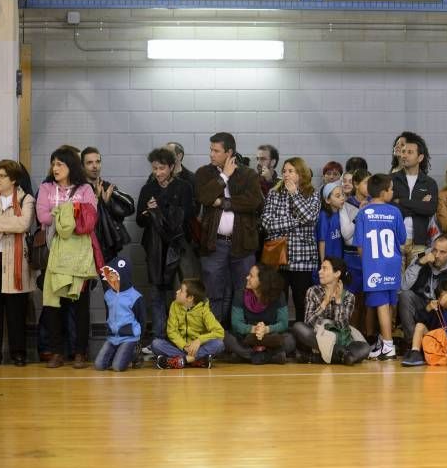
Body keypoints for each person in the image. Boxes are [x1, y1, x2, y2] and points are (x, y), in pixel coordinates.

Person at [37, 147, 101, 369]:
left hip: (80, 256)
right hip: (55, 253)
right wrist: (71, 211)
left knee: (80, 305)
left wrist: (61, 212)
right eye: (53, 164)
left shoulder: (85, 188)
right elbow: (42, 216)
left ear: (70, 166)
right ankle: (56, 352)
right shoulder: (45, 187)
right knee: (53, 304)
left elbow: (90, 218)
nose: (55, 168)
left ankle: (80, 352)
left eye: (59, 164)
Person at [196, 132, 263, 327]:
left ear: (229, 152)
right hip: (214, 243)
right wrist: (224, 176)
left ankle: (240, 334)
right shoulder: (204, 173)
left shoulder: (248, 174)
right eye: (211, 150)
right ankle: (214, 334)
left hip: (242, 244)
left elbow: (254, 202)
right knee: (213, 291)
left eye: (216, 151)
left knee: (243, 290)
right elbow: (204, 197)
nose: (211, 154)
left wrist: (224, 203)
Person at [136, 148, 195, 347]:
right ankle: (158, 339)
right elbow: (139, 221)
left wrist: (160, 207)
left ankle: (179, 338)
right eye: (155, 168)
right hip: (155, 247)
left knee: (180, 292)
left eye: (162, 168)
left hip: (178, 246)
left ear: (171, 167)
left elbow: (187, 217)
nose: (158, 172)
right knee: (156, 292)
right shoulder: (148, 189)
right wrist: (148, 212)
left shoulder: (184, 187)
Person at [261, 157, 320, 323]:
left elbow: (310, 217)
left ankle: (302, 338)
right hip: (277, 256)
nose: (286, 174)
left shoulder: (312, 194)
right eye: (284, 171)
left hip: (303, 259)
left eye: (290, 171)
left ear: (300, 173)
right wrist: (295, 221)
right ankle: (279, 336)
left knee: (302, 301)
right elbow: (266, 222)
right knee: (277, 301)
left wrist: (295, 195)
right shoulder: (274, 193)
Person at [356, 174, 407, 361]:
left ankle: (388, 345)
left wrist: (368, 262)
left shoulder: (363, 213)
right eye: (391, 189)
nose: (393, 192)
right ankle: (384, 341)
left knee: (382, 306)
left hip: (374, 264)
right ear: (384, 192)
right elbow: (402, 239)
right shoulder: (395, 212)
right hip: (392, 263)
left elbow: (360, 246)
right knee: (389, 304)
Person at [0, 160, 35, 366]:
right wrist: (10, 226)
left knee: (16, 312)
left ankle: (18, 353)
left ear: (14, 179)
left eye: (1, 176)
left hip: (17, 262)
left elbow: (23, 224)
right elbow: (16, 225)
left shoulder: (26, 199)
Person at [292, 257, 370, 365]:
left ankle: (315, 358)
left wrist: (338, 302)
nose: (320, 272)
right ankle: (342, 355)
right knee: (298, 327)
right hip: (320, 335)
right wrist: (324, 303)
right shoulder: (313, 291)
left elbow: (343, 326)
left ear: (337, 273)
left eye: (324, 269)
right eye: (320, 268)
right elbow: (308, 322)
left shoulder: (349, 296)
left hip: (340, 338)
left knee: (365, 348)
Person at [398, 234, 447, 344]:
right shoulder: (422, 256)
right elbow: (403, 286)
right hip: (422, 305)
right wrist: (420, 263)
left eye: (442, 252)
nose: (437, 255)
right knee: (405, 295)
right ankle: (412, 344)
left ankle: (441, 342)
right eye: (435, 250)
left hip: (442, 308)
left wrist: (444, 300)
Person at [223, 264, 295, 365]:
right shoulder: (240, 294)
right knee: (224, 336)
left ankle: (247, 356)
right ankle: (271, 356)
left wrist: (266, 329)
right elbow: (236, 324)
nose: (247, 277)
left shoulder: (279, 295)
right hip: (247, 338)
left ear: (262, 281)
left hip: (271, 338)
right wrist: (255, 329)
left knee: (290, 340)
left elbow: (283, 324)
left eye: (251, 276)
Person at [152, 278, 225, 369]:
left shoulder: (203, 309)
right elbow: (171, 331)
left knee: (219, 344)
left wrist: (199, 340)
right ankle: (197, 360)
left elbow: (219, 332)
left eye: (181, 291)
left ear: (190, 298)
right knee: (156, 344)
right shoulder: (174, 305)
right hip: (180, 347)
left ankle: (180, 361)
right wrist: (184, 346)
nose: (177, 292)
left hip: (198, 348)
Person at [391, 132, 438, 271]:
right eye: (403, 152)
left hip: (419, 243)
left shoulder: (429, 183)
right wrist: (418, 204)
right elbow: (391, 208)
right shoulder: (392, 179)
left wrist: (402, 201)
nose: (404, 155)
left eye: (410, 152)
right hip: (396, 240)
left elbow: (430, 209)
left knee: (415, 284)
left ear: (420, 157)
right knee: (397, 284)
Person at [81, 147, 134, 263]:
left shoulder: (107, 187)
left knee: (109, 281)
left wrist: (108, 203)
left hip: (107, 249)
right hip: (84, 248)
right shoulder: (79, 189)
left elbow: (129, 207)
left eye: (98, 162)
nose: (95, 166)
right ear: (82, 166)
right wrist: (95, 200)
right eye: (89, 163)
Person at [94, 257, 146, 372]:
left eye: (113, 276)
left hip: (129, 338)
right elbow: (109, 315)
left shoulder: (135, 297)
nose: (110, 279)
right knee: (99, 365)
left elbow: (141, 319)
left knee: (117, 367)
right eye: (109, 276)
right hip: (113, 337)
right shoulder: (108, 295)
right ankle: (118, 354)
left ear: (123, 276)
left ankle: (134, 352)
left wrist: (138, 338)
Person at [400, 280, 447, 368]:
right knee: (420, 325)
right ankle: (415, 353)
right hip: (437, 345)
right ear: (438, 298)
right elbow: (418, 320)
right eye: (442, 296)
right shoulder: (435, 308)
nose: (445, 299)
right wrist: (427, 309)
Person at [341, 169, 373, 335]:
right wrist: (360, 212)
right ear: (355, 184)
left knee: (368, 300)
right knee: (351, 299)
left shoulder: (374, 203)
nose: (370, 186)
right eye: (366, 182)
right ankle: (351, 335)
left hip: (369, 257)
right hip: (351, 257)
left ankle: (368, 336)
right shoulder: (346, 204)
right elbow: (347, 236)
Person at [317, 182, 346, 263]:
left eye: (343, 194)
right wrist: (323, 262)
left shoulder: (341, 213)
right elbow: (322, 241)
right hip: (328, 259)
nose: (342, 198)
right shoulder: (324, 216)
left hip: (338, 258)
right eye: (338, 196)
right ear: (327, 200)